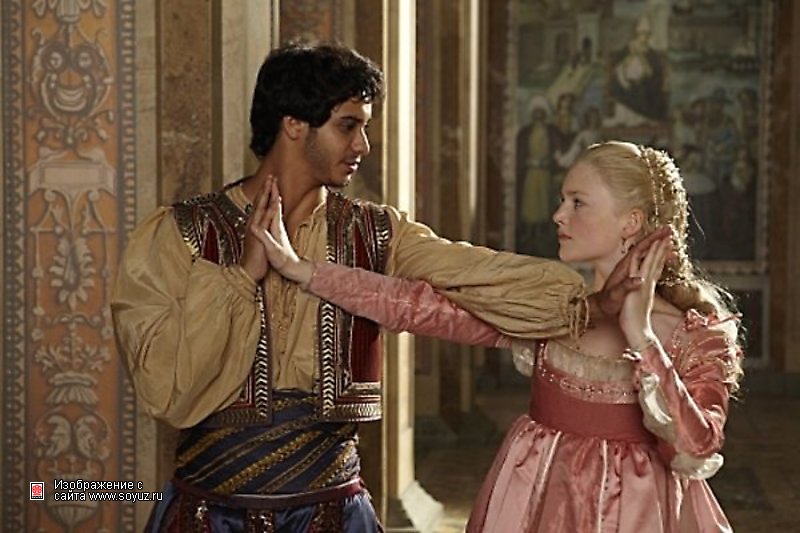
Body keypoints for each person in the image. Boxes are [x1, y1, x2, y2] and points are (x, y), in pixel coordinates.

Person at [110, 42, 664, 531]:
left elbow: (472, 269)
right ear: (294, 124)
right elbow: (164, 389)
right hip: (211, 513)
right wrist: (242, 277)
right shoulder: (181, 234)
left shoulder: (376, 232)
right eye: (348, 125)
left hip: (332, 512)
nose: (364, 145)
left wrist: (585, 303)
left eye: (365, 127)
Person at [256, 141, 743, 532]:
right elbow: (419, 306)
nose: (558, 215)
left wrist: (642, 337)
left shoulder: (696, 333)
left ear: (629, 222)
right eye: (561, 200)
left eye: (577, 202)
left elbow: (696, 445)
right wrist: (305, 271)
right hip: (532, 498)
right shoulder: (547, 310)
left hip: (640, 513)